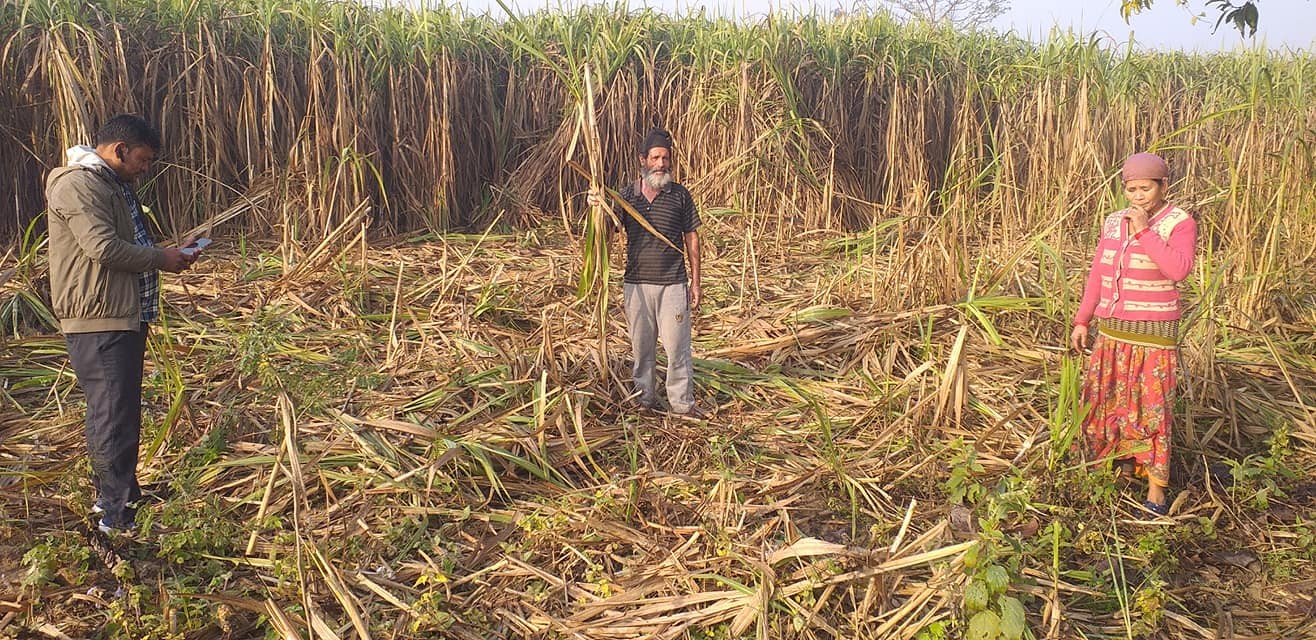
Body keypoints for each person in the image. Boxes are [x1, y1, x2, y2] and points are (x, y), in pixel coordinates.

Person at [45, 114, 198, 534]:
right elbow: (104, 248)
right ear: (120, 150)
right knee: (112, 414)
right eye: (143, 160)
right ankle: (112, 515)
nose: (146, 169)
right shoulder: (78, 184)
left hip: (121, 314)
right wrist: (160, 259)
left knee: (120, 411)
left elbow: (128, 244)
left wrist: (169, 254)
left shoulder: (112, 185)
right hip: (98, 319)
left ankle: (122, 496)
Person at [1070, 152, 1197, 516]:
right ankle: (1120, 468)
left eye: (1145, 188)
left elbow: (1178, 269)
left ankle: (1156, 494)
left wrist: (1143, 230)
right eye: (1131, 189)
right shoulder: (1113, 221)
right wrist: (1083, 320)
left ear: (1163, 186)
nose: (1138, 196)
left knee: (1152, 409)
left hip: (1154, 337)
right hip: (1111, 333)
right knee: (1106, 401)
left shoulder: (1179, 222)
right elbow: (1099, 273)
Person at [594, 128, 704, 417]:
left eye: (665, 158)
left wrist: (696, 281)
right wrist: (597, 207)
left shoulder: (680, 195)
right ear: (643, 160)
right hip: (637, 285)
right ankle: (644, 400)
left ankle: (682, 403)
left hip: (673, 285)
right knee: (642, 349)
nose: (661, 164)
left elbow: (692, 237)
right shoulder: (627, 195)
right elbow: (608, 229)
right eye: (655, 157)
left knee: (677, 348)